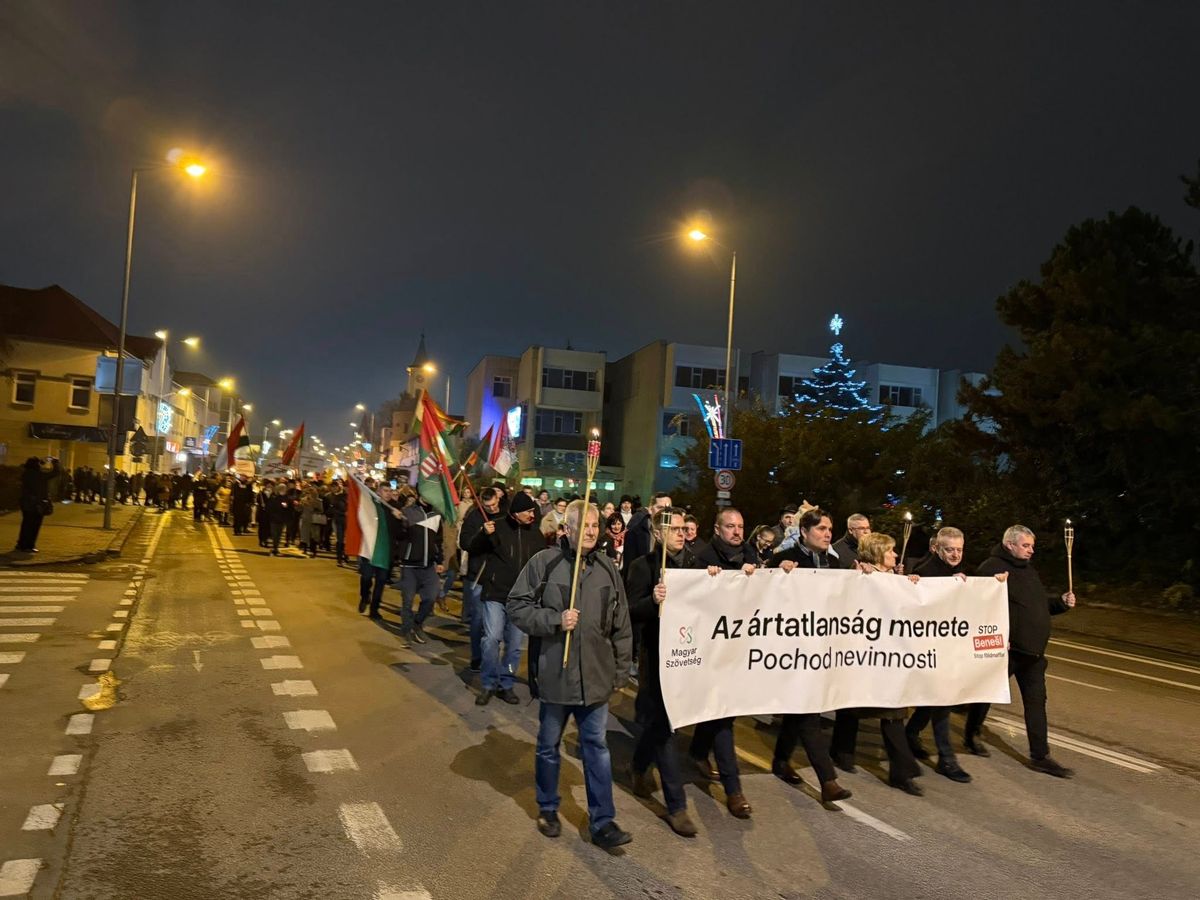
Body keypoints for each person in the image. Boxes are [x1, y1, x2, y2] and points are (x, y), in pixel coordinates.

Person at [508, 499, 633, 849]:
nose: (591, 531)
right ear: (568, 528)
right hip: (555, 676)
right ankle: (548, 807)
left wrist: (621, 670)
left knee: (596, 747)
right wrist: (554, 620)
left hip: (596, 678)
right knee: (548, 746)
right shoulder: (544, 563)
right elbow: (516, 606)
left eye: (595, 525)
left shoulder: (608, 568)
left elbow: (621, 624)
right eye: (584, 525)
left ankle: (603, 821)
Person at [966, 525, 1077, 777]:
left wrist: (1060, 603)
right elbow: (977, 608)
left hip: (1034, 655)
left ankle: (1040, 756)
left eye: (1032, 546)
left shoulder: (1028, 570)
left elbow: (1037, 605)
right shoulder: (991, 568)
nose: (1031, 550)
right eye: (1026, 545)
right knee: (985, 694)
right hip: (1008, 651)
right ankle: (971, 733)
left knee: (1036, 704)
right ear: (1009, 545)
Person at [827, 531, 925, 796]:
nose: (895, 554)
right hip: (865, 654)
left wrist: (912, 584)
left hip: (890, 656)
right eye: (890, 550)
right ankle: (842, 752)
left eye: (895, 550)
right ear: (877, 554)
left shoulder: (897, 579)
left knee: (892, 712)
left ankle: (901, 771)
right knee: (853, 705)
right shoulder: (861, 577)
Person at [625, 507, 703, 837]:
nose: (680, 534)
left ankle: (639, 765)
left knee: (660, 723)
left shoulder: (696, 565)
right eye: (673, 530)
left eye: (684, 529)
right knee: (664, 723)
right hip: (655, 653)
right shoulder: (643, 567)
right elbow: (630, 608)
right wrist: (650, 601)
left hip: (688, 654)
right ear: (658, 533)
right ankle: (676, 805)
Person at [689, 508, 759, 819]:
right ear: (717, 529)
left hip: (740, 649)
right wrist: (710, 582)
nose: (736, 531)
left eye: (741, 526)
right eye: (730, 526)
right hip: (713, 650)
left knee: (717, 712)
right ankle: (734, 790)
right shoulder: (705, 558)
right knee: (722, 715)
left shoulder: (751, 556)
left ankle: (696, 751)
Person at [903, 526, 988, 783]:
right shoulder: (923, 572)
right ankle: (946, 758)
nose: (955, 555)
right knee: (942, 701)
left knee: (936, 700)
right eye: (949, 550)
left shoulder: (961, 573)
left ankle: (911, 733)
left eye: (959, 550)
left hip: (951, 649)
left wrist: (993, 586)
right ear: (936, 548)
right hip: (929, 649)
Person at [468, 491, 541, 704]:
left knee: (515, 646)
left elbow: (540, 565)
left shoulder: (535, 535)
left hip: (521, 600)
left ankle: (506, 683)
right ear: (517, 512)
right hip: (495, 594)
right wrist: (483, 534)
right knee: (491, 639)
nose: (532, 514)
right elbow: (473, 547)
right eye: (528, 511)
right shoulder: (496, 526)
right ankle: (489, 683)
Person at [459, 487, 503, 673]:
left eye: (494, 504)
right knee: (477, 619)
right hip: (478, 576)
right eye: (487, 506)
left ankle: (492, 657)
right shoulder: (474, 517)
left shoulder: (505, 517)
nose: (491, 508)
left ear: (498, 499)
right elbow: (465, 543)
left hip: (499, 576)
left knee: (495, 624)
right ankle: (477, 655)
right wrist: (482, 534)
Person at [392, 493, 445, 642]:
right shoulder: (408, 511)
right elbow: (398, 535)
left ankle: (417, 624)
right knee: (407, 601)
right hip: (409, 565)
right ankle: (407, 630)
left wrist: (439, 560)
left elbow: (438, 540)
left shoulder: (436, 514)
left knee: (431, 597)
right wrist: (397, 521)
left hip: (428, 565)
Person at [17, 456, 60, 553]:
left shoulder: (26, 474)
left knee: (26, 524)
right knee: (34, 526)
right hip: (37, 504)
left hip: (26, 504)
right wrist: (55, 462)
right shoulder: (39, 475)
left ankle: (21, 544)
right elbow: (55, 473)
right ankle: (29, 545)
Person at [623, 492, 671, 561]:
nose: (664, 512)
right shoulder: (633, 534)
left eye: (668, 509)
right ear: (650, 509)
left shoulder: (678, 533)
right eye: (660, 508)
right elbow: (629, 567)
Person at [266, 482, 291, 556]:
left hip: (281, 519)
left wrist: (286, 506)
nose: (283, 490)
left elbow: (289, 507)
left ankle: (275, 548)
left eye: (284, 488)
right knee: (274, 534)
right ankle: (275, 548)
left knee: (279, 534)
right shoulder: (274, 497)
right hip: (274, 519)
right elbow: (269, 507)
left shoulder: (286, 497)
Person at [328, 479, 349, 564]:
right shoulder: (338, 497)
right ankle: (339, 557)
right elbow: (333, 510)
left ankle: (346, 555)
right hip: (339, 520)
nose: (347, 489)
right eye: (346, 487)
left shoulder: (351, 498)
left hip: (347, 521)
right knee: (340, 539)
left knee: (346, 539)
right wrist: (344, 513)